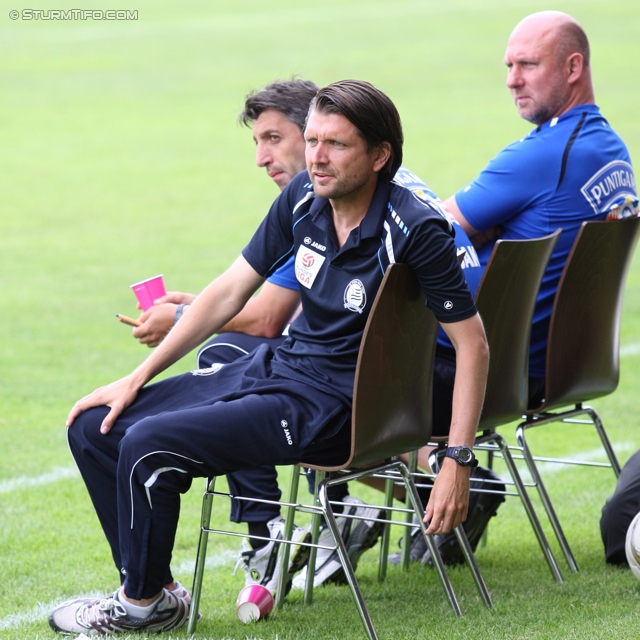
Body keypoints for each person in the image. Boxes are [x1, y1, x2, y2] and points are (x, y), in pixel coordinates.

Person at [49, 79, 488, 635]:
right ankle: (153, 592)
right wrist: (135, 378)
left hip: (338, 406)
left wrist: (456, 460)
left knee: (145, 444)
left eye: (337, 145)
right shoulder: (305, 196)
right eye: (312, 141)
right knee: (94, 426)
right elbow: (230, 292)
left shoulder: (416, 227)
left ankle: (137, 610)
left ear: (380, 156)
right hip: (283, 369)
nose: (317, 157)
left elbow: (473, 344)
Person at [125, 79, 389, 594]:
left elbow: (265, 318)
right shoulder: (368, 191)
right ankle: (336, 510)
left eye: (274, 138)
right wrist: (189, 308)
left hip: (383, 396)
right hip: (404, 378)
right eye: (256, 144)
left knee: (233, 355)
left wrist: (180, 320)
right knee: (264, 361)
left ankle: (270, 533)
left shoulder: (337, 202)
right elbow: (242, 296)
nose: (262, 158)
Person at [397, 10, 637, 567]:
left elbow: (433, 229)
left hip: (492, 372)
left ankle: (442, 477)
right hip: (564, 364)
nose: (512, 79)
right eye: (509, 65)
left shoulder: (543, 155)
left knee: (322, 365)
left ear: (573, 67)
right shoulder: (610, 149)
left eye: (528, 65)